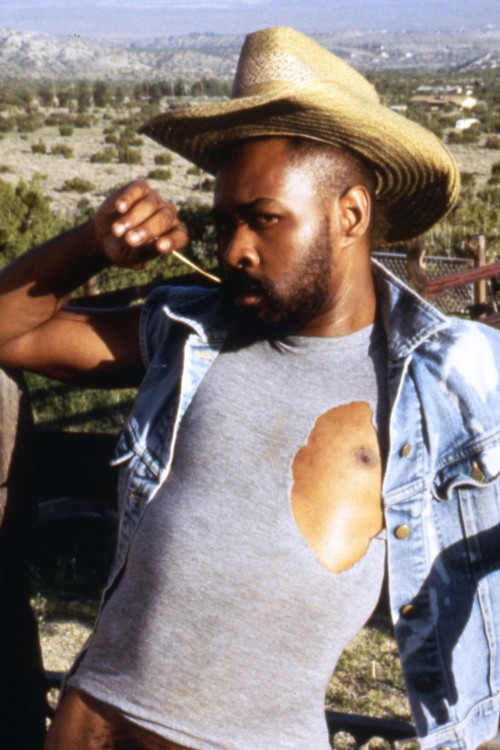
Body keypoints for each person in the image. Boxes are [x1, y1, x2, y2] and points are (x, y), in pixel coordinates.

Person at [0, 25, 499, 750]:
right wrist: (90, 245)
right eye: (225, 222)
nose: (235, 249)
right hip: (85, 729)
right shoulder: (190, 334)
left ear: (350, 215)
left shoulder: (447, 380)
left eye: (264, 220)